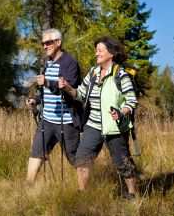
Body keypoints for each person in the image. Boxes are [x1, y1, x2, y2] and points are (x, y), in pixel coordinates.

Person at [58, 36, 138, 200]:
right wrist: (67, 87)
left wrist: (121, 112)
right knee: (82, 158)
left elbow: (131, 100)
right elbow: (79, 94)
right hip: (92, 126)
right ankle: (82, 196)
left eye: (100, 50)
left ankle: (132, 194)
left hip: (114, 127)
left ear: (112, 53)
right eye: (96, 50)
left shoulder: (120, 74)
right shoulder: (94, 72)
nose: (97, 54)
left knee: (122, 162)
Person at [26, 28, 83, 183]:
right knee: (36, 152)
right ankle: (27, 187)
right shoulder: (47, 63)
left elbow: (68, 89)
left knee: (74, 158)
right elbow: (46, 92)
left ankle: (83, 191)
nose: (45, 46)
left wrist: (47, 82)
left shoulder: (70, 63)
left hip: (67, 122)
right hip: (47, 120)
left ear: (58, 42)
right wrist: (36, 100)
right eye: (43, 43)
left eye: (48, 42)